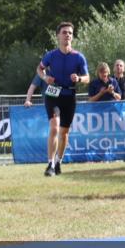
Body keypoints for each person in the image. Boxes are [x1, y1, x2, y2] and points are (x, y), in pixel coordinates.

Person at [36, 22, 90, 177]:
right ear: (58, 35)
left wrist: (79, 78)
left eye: (70, 33)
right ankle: (50, 164)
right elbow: (39, 69)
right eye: (64, 32)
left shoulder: (78, 57)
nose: (68, 35)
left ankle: (59, 161)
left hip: (69, 95)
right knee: (54, 127)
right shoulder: (51, 55)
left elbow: (87, 78)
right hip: (53, 94)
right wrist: (45, 77)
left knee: (64, 132)